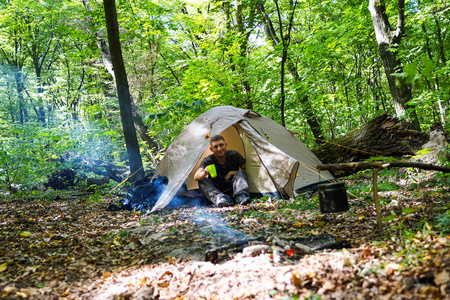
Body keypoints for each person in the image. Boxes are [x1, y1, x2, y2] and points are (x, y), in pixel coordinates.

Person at [194, 135, 251, 207]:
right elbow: (196, 177)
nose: (219, 149)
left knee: (240, 172)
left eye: (221, 145)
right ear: (211, 149)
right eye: (215, 147)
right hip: (217, 190)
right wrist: (205, 172)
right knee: (202, 180)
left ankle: (241, 197)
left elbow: (248, 169)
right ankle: (221, 199)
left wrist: (232, 173)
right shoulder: (208, 160)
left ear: (226, 145)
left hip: (234, 188)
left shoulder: (234, 155)